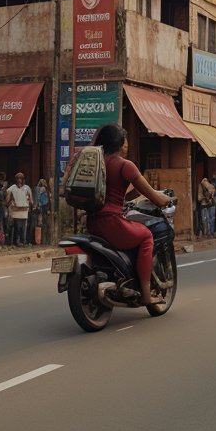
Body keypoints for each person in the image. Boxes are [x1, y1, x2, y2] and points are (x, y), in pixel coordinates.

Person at [88, 124, 170, 308]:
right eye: (125, 142)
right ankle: (147, 296)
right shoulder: (125, 165)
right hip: (111, 223)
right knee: (146, 237)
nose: (128, 145)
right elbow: (152, 195)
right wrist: (164, 199)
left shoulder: (97, 162)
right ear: (119, 143)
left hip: (92, 223)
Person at [6, 171, 33, 246]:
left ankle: (23, 241)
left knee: (24, 228)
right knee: (17, 227)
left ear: (23, 179)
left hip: (24, 211)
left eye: (20, 178)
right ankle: (17, 241)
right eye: (18, 178)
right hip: (16, 211)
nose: (19, 180)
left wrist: (31, 205)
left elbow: (31, 199)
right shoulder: (12, 188)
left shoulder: (27, 188)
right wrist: (10, 203)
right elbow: (7, 198)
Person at [198, 172, 216, 236]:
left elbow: (200, 198)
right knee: (209, 219)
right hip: (208, 204)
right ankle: (208, 232)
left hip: (205, 204)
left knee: (205, 220)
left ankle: (207, 233)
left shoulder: (202, 185)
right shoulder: (209, 185)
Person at [33, 177, 51, 242]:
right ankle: (44, 239)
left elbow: (39, 198)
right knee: (44, 223)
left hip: (43, 206)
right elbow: (38, 198)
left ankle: (43, 239)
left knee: (42, 223)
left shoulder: (42, 189)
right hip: (43, 206)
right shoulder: (43, 189)